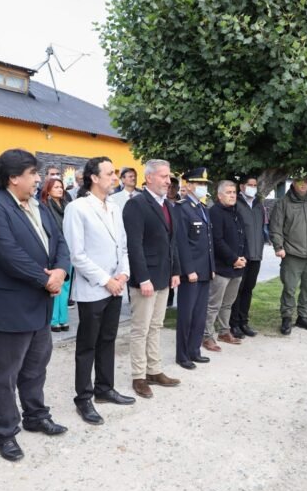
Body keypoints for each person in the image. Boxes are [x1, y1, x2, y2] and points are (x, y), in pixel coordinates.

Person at [0, 148, 71, 462]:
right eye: (32, 174)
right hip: (7, 308)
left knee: (35, 367)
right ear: (13, 177)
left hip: (38, 305)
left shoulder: (38, 205)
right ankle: (3, 432)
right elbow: (8, 253)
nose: (38, 179)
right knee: (4, 375)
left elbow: (60, 241)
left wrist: (61, 270)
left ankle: (35, 414)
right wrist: (47, 280)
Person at [63, 156, 135, 425]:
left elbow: (123, 246)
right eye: (109, 173)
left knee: (108, 340)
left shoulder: (114, 207)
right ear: (93, 177)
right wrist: (107, 280)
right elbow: (77, 255)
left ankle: (105, 388)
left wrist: (124, 273)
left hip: (116, 286)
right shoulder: (78, 208)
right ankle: (84, 398)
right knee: (87, 345)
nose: (114, 178)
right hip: (94, 289)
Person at [122, 159, 182, 398]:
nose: (168, 181)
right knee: (141, 328)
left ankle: (154, 370)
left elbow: (172, 242)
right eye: (163, 176)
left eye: (169, 177)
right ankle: (139, 376)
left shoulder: (167, 205)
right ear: (149, 178)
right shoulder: (136, 205)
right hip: (145, 278)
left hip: (164, 275)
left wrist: (175, 271)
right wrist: (142, 278)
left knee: (156, 326)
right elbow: (133, 245)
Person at [268, 176, 307, 335]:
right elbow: (275, 226)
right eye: (300, 182)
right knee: (289, 288)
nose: (304, 185)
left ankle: (303, 316)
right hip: (292, 254)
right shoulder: (284, 203)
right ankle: (287, 317)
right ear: (294, 183)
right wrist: (278, 246)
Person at [174, 168, 215, 366]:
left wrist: (211, 266)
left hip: (205, 270)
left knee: (200, 313)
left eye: (205, 184)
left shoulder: (202, 208)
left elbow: (208, 243)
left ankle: (194, 349)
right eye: (199, 183)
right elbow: (182, 243)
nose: (202, 187)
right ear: (188, 185)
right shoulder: (182, 208)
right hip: (191, 272)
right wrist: (188, 270)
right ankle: (182, 355)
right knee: (187, 314)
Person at [204, 180, 247, 351]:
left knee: (228, 303)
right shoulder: (215, 212)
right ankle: (206, 336)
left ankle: (224, 331)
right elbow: (217, 241)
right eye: (228, 192)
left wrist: (243, 258)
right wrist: (233, 259)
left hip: (237, 267)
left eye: (234, 192)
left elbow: (243, 237)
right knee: (213, 304)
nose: (232, 195)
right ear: (219, 195)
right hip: (223, 267)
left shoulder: (236, 211)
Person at [230, 174, 266, 338]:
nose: (253, 187)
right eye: (250, 184)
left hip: (256, 255)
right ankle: (234, 323)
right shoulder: (236, 204)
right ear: (242, 187)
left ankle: (244, 321)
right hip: (241, 255)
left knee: (248, 290)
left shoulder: (259, 205)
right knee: (237, 290)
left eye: (255, 185)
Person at [40, 176, 73, 332]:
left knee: (66, 286)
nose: (60, 189)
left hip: (69, 249)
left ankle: (63, 319)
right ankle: (54, 320)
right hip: (54, 250)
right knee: (55, 286)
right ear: (48, 190)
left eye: (61, 187)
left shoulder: (68, 206)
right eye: (56, 187)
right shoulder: (45, 207)